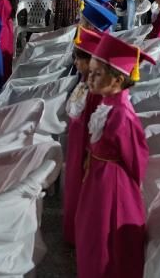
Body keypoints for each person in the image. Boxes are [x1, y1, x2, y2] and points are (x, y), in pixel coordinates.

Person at [75, 34, 153, 278]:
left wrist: (131, 188)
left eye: (98, 73)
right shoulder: (107, 103)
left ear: (118, 79)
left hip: (112, 184)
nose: (90, 77)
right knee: (91, 229)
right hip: (99, 175)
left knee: (106, 234)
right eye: (92, 71)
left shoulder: (122, 114)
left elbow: (136, 157)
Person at [62, 27, 103, 245]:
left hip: (85, 146)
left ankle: (79, 234)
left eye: (79, 60)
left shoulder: (95, 90)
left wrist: (88, 153)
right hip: (76, 141)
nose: (76, 64)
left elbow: (95, 125)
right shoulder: (83, 81)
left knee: (81, 188)